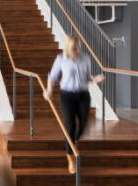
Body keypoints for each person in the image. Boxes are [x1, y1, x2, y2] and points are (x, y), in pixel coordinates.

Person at [43, 35, 105, 174]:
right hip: (67, 96)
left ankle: (74, 141)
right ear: (68, 47)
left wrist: (95, 79)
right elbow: (52, 77)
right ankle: (70, 159)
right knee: (70, 125)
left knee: (83, 125)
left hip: (83, 95)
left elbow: (87, 77)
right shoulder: (61, 59)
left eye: (78, 47)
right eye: (74, 48)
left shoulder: (86, 58)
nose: (77, 50)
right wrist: (49, 90)